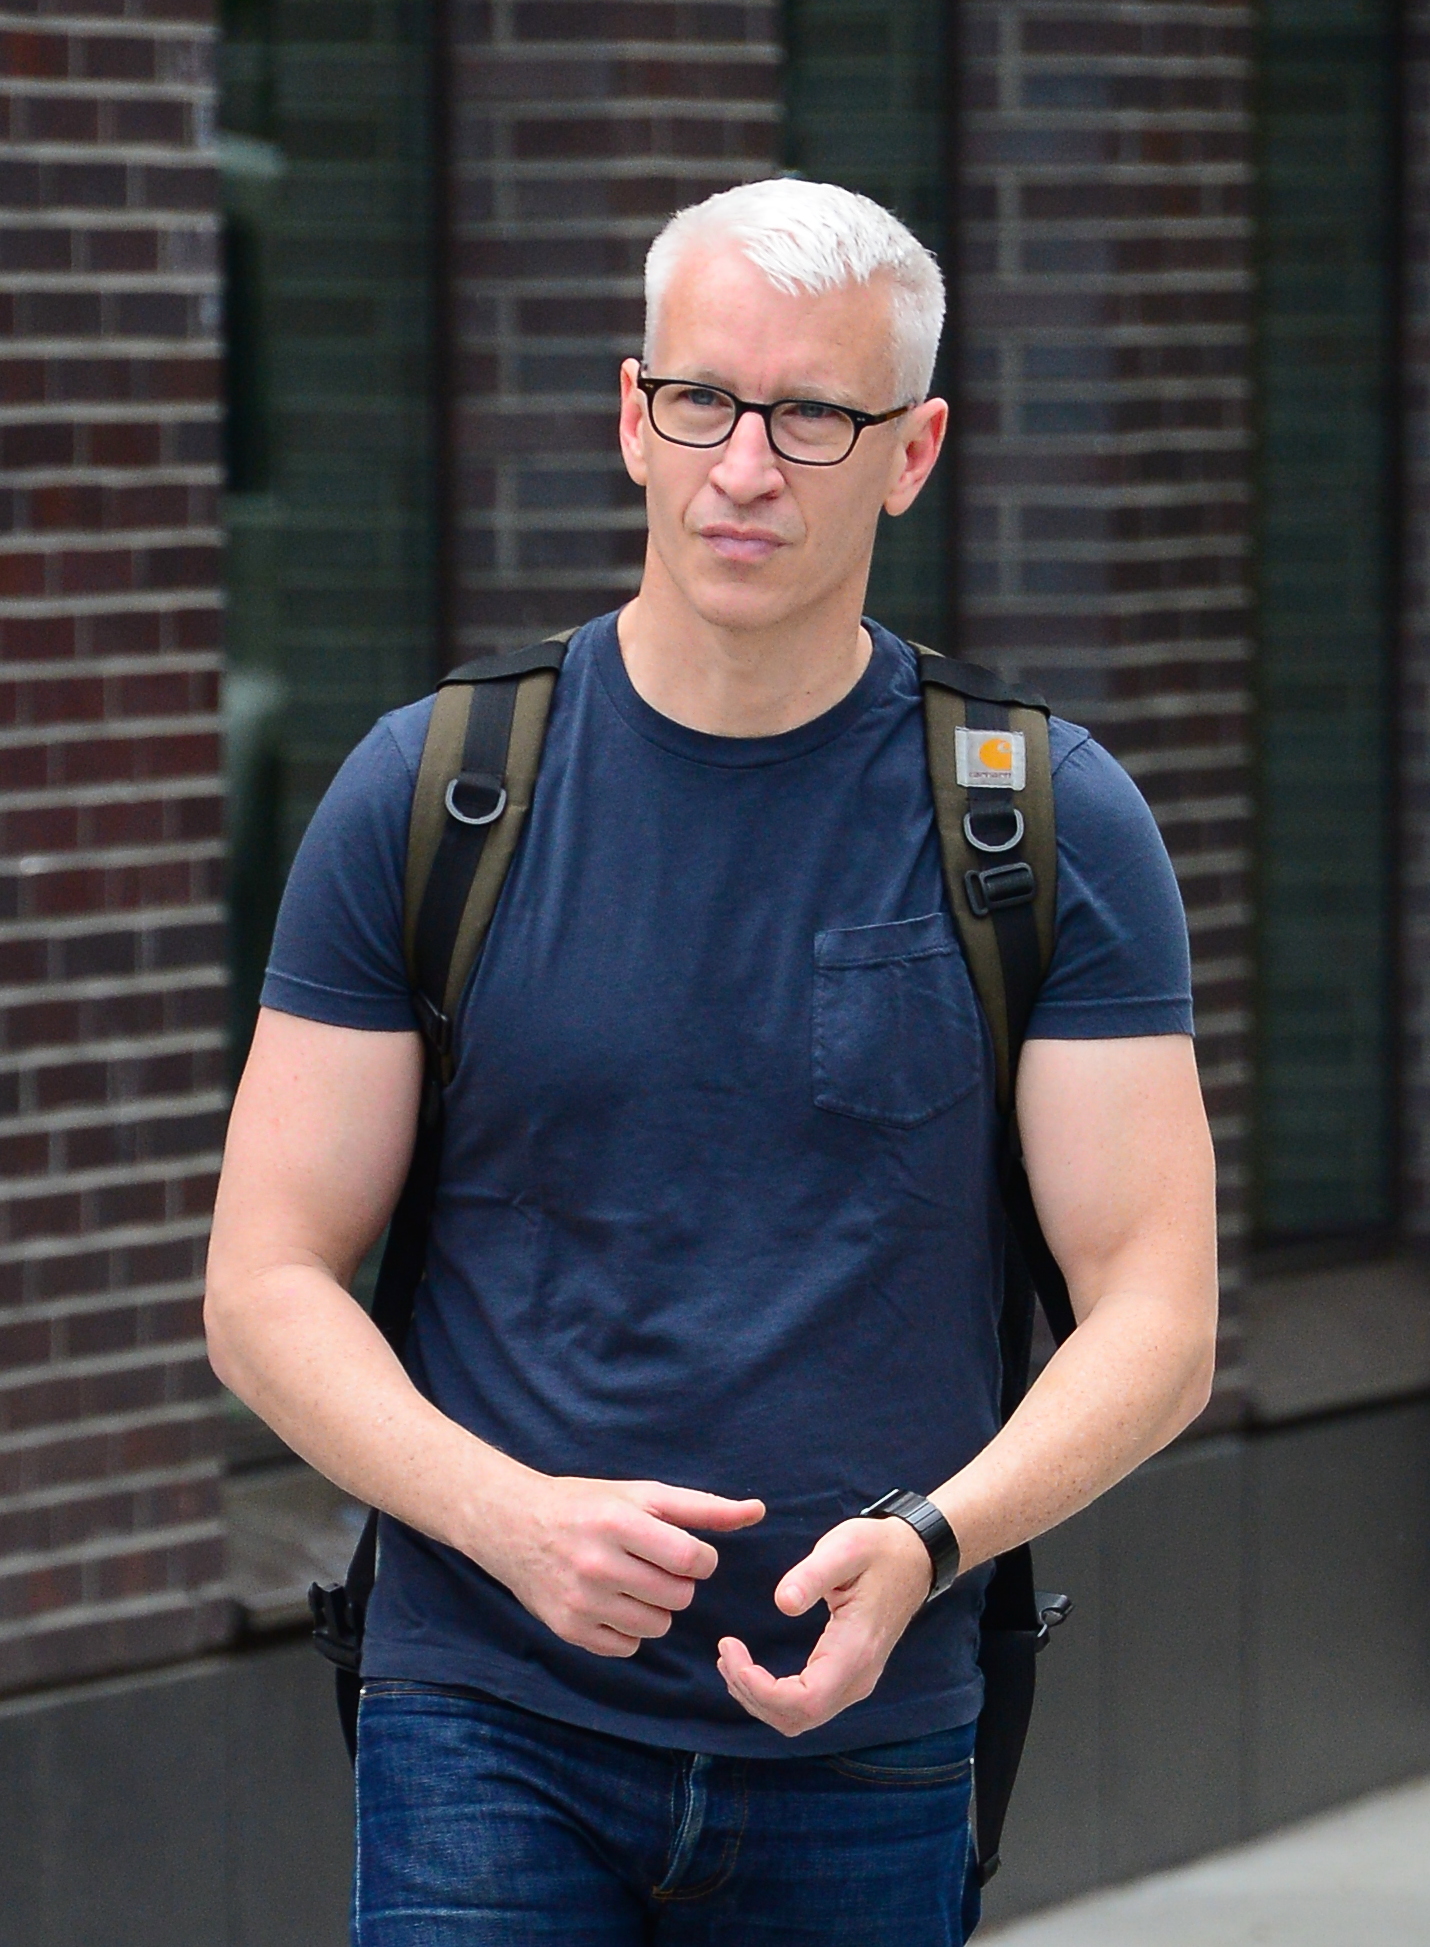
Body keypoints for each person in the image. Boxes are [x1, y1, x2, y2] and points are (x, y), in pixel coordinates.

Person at [205, 178, 1218, 1946]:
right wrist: (507, 1522)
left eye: (814, 415)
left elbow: (1156, 1309)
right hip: (482, 1718)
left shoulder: (1036, 821)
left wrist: (932, 1542)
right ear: (631, 416)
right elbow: (266, 1279)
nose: (745, 465)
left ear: (913, 453)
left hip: (869, 1742)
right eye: (703, 401)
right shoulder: (435, 790)